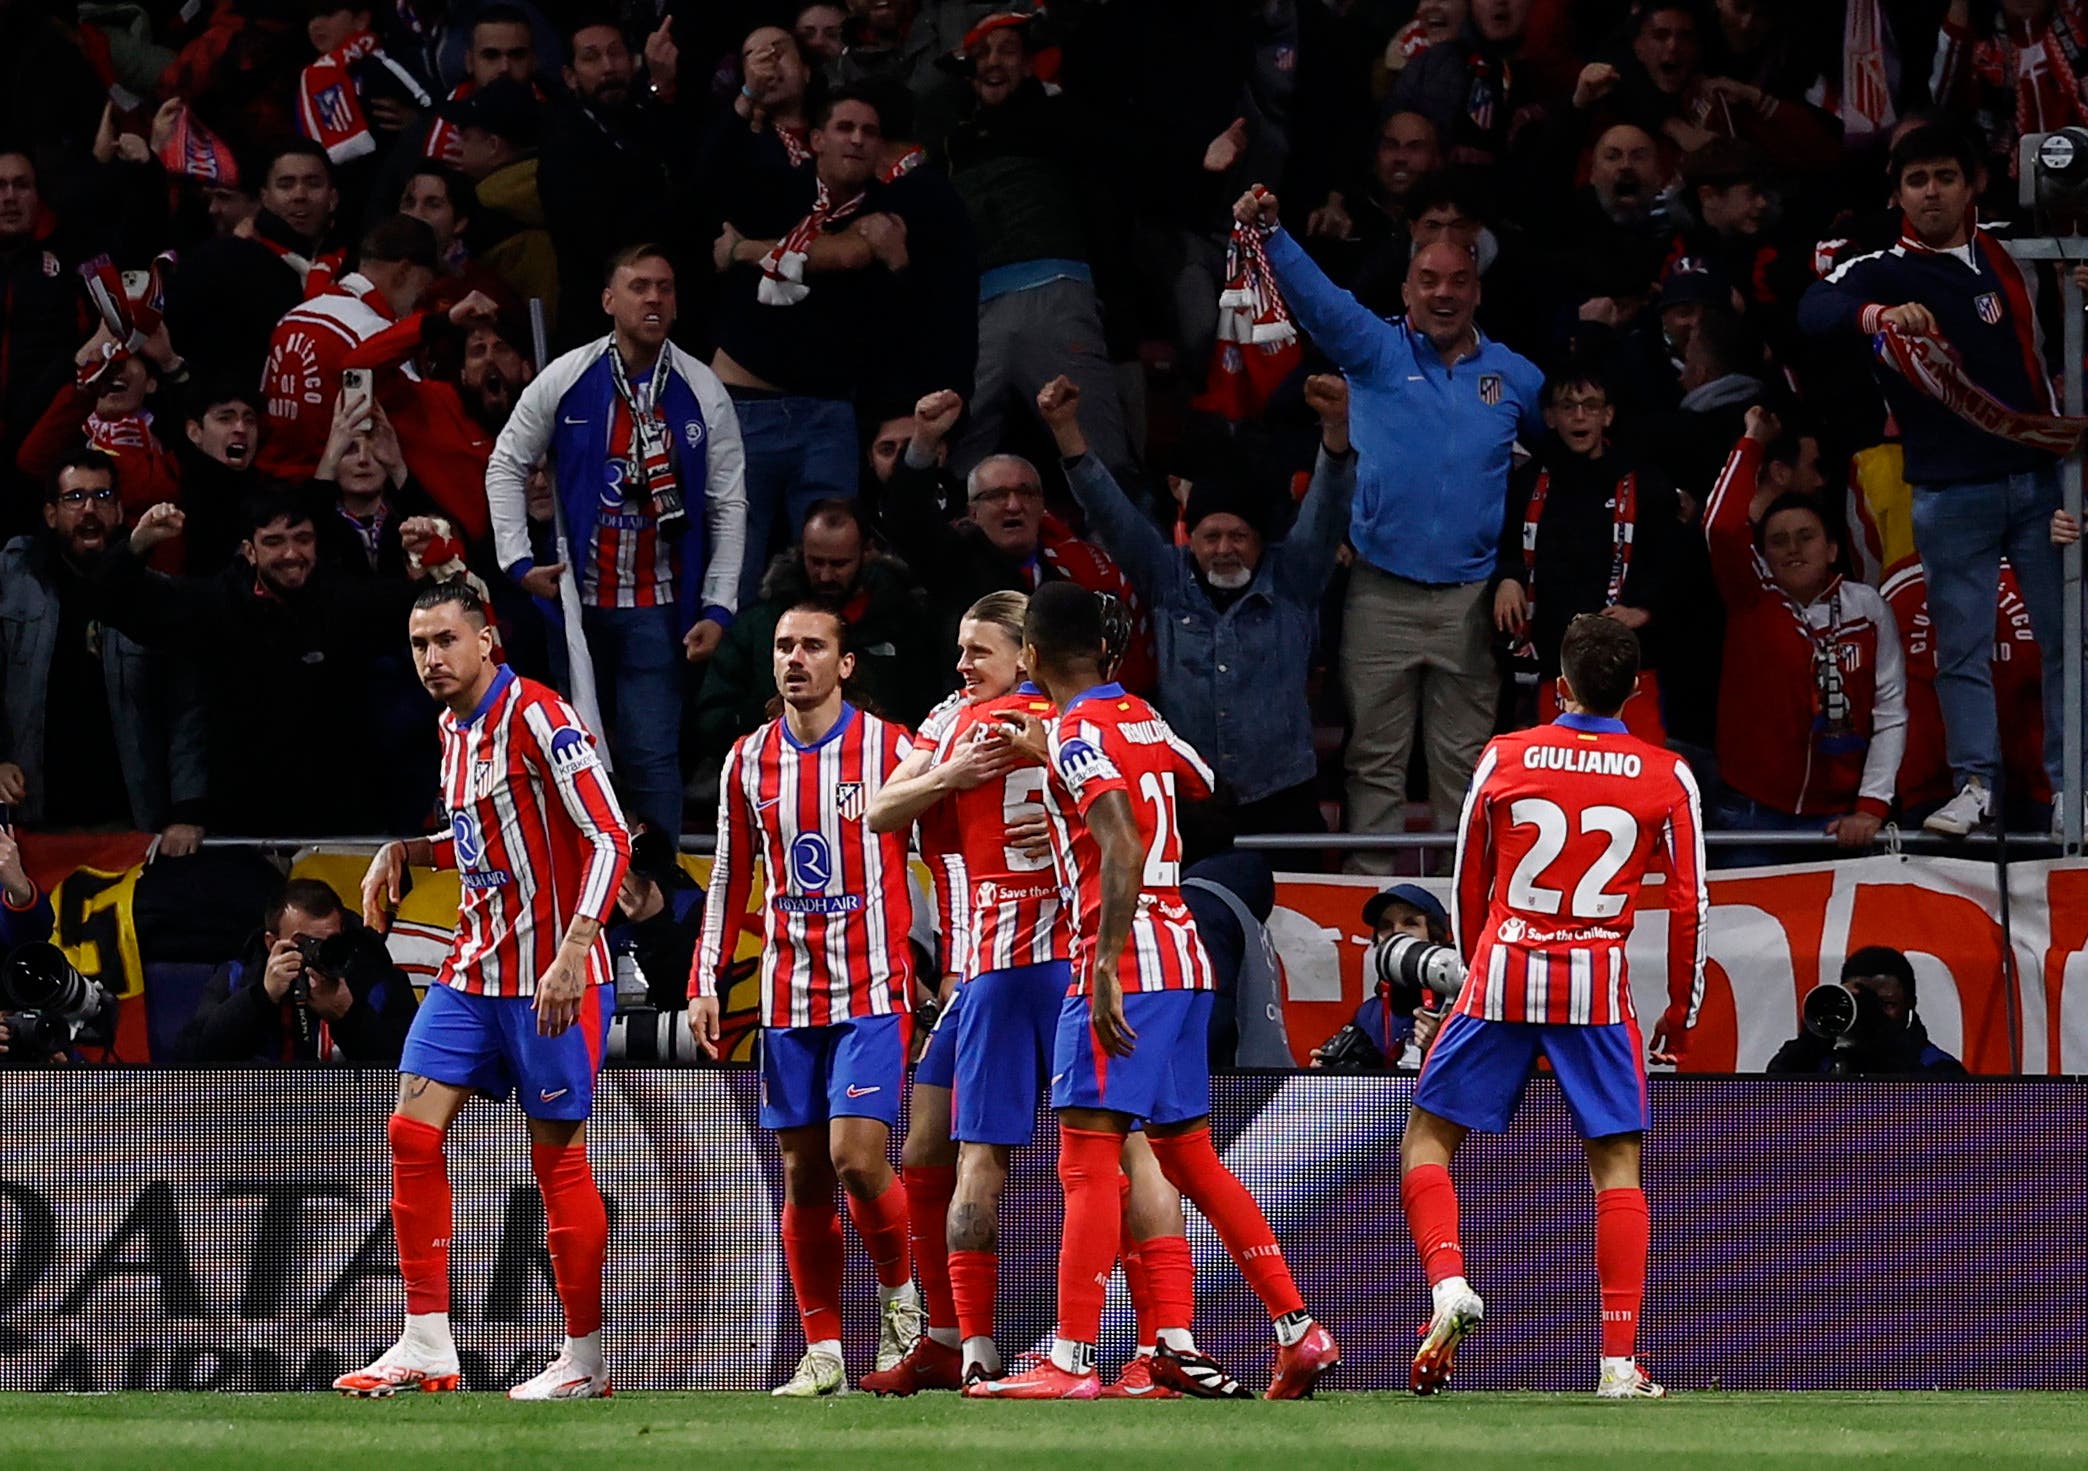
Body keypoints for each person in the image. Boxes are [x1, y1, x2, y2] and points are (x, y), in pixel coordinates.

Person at [862, 591, 1240, 1399]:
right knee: (946, 1144)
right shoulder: (993, 718)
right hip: (999, 964)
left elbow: (885, 813)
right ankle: (964, 1340)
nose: (964, 666)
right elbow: (882, 808)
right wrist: (962, 775)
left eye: (981, 652)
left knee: (1060, 1154)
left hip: (1046, 956)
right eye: (960, 651)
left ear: (1027, 651)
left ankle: (1129, 1342)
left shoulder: (1053, 725)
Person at [968, 581, 1338, 1400]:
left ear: (1030, 655)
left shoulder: (1072, 735)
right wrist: (1069, 752)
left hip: (1126, 960)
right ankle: (1298, 1327)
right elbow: (1199, 779)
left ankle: (1068, 1358)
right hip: (1186, 955)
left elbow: (1123, 843)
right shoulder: (1137, 713)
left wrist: (1100, 965)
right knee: (1188, 1154)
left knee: (1087, 1159)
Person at [335, 580, 632, 1400]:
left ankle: (586, 1361)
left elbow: (610, 833)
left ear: (487, 639)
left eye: (445, 639)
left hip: (551, 980)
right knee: (410, 1133)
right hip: (473, 969)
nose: (432, 656)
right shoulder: (451, 728)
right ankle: (426, 1341)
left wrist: (575, 948)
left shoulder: (540, 716)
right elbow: (483, 837)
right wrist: (409, 850)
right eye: (420, 642)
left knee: (557, 1161)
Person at [1401, 613, 1705, 1401]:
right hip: (1597, 983)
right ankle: (1615, 1362)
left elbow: (1468, 872)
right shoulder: (1666, 773)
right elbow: (1688, 900)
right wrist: (1682, 1003)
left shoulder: (1505, 754)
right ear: (1635, 690)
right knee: (1616, 1165)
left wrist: (1475, 965)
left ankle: (1448, 1284)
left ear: (1560, 685)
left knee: (1428, 1141)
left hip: (1502, 971)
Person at [1242, 182, 1544, 859]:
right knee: (1372, 764)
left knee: (1466, 775)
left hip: (1471, 600)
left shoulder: (1516, 378)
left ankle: (1461, 916)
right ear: (1406, 290)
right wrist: (1273, 234)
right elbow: (1320, 302)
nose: (1444, 293)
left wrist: (1513, 570)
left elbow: (1552, 469)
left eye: (1458, 281)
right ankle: (1371, 908)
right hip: (1380, 591)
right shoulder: (1374, 352)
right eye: (1429, 280)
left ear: (1478, 292)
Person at [1798, 123, 2075, 837]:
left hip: (2043, 479)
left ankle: (2073, 786)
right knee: (1961, 649)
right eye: (1917, 181)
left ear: (1970, 184)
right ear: (1897, 193)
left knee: (2064, 639)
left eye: (1944, 178)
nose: (1931, 193)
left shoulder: (2017, 243)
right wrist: (1878, 315)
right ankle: (1976, 783)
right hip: (1952, 493)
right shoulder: (1884, 266)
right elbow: (1815, 310)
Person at [687, 604, 921, 1397]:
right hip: (788, 991)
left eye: (813, 646)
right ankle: (822, 1349)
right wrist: (706, 978)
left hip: (872, 988)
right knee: (802, 1174)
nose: (795, 658)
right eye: (785, 645)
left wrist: (955, 957)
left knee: (858, 1158)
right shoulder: (747, 760)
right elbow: (728, 876)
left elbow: (946, 852)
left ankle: (901, 1301)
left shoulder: (892, 747)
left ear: (844, 663)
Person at [485, 242, 748, 837]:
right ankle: (584, 881)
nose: (653, 297)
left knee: (652, 759)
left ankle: (658, 898)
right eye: (638, 286)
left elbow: (729, 505)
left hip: (655, 607)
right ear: (609, 299)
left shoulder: (702, 390)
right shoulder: (567, 376)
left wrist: (718, 604)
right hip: (572, 603)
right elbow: (505, 463)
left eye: (665, 287)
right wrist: (518, 561)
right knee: (571, 755)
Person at [1038, 371, 1355, 835]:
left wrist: (1335, 429)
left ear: (1261, 541)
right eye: (1211, 536)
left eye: (1239, 536)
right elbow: (1110, 510)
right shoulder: (1166, 575)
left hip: (1283, 793)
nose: (1224, 549)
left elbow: (1327, 508)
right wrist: (1066, 430)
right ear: (1191, 537)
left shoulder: (1293, 576)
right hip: (1191, 796)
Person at [1704, 408, 1905, 849]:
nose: (1792, 549)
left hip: (1838, 821)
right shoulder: (1752, 597)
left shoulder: (1867, 609)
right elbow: (1720, 525)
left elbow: (1890, 713)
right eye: (1778, 540)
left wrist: (1871, 806)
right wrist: (1752, 439)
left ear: (1833, 548)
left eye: (1805, 536)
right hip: (1751, 816)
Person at [0, 451, 207, 846]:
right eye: (74, 498)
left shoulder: (154, 595)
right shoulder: (12, 581)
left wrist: (188, 810)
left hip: (127, 821)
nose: (89, 509)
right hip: (30, 820)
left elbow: (186, 710)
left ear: (118, 511)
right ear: (50, 514)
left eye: (102, 496)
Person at [1493, 368, 1679, 742]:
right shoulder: (1526, 481)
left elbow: (1672, 561)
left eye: (1590, 406)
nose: (1579, 416)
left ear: (1607, 416)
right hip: (1551, 660)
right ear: (1549, 417)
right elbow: (1505, 543)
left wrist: (1644, 609)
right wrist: (1508, 578)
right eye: (1568, 406)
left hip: (1625, 666)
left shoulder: (1645, 484)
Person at [692, 498, 944, 762]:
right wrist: (771, 717)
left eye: (838, 564)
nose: (825, 576)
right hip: (776, 769)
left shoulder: (903, 623)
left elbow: (927, 716)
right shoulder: (761, 625)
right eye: (816, 562)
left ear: (867, 553)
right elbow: (713, 719)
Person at [176, 877, 416, 1063]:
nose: (318, 955)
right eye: (305, 944)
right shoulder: (239, 976)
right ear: (272, 943)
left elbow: (412, 1067)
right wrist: (261, 998)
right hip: (262, 1113)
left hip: (347, 1114)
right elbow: (193, 1058)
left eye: (328, 943)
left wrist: (349, 1016)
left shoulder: (374, 976)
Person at [1308, 884, 1453, 1072]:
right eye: (1386, 926)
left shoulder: (1464, 1005)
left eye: (1410, 923)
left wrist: (1445, 1049)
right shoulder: (1368, 1013)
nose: (1397, 933)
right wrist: (1328, 1073)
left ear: (1436, 939)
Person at [1766, 946, 1968, 1076]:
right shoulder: (1819, 1059)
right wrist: (1813, 1036)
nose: (1872, 1012)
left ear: (1910, 1004)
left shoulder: (1938, 1069)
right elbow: (1769, 1103)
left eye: (1887, 1004)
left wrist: (1881, 1048)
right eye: (1860, 1001)